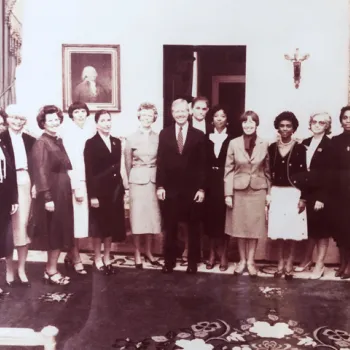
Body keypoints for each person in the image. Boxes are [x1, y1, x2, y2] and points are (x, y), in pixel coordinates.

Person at [156, 98, 206, 274]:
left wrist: (201, 189)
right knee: (170, 227)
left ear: (189, 112)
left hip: (191, 190)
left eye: (184, 111)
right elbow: (160, 162)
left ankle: (192, 262)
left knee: (193, 227)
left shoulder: (198, 135)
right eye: (177, 111)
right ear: (172, 113)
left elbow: (202, 165)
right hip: (170, 189)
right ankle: (169, 261)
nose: (180, 114)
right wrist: (160, 186)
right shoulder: (164, 134)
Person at [224, 111, 270, 277]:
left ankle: (251, 261)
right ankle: (242, 260)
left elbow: (267, 170)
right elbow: (228, 170)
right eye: (245, 123)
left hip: (258, 190)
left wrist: (269, 193)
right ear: (241, 125)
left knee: (254, 228)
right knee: (240, 227)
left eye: (252, 122)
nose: (248, 125)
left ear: (256, 124)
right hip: (238, 190)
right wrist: (228, 194)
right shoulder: (233, 143)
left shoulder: (265, 144)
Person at [31, 105, 74, 285]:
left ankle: (51, 268)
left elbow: (66, 165)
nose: (54, 123)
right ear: (43, 123)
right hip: (52, 193)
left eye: (57, 119)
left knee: (61, 231)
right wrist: (47, 198)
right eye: (50, 120)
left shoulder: (57, 140)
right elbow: (40, 171)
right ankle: (51, 270)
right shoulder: (42, 143)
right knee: (54, 232)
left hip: (62, 191)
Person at [84, 109, 126, 275]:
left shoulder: (116, 142)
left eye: (109, 120)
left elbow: (117, 167)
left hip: (114, 191)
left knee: (110, 226)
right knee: (99, 227)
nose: (107, 123)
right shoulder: (91, 143)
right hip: (99, 192)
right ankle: (97, 257)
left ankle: (107, 256)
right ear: (96, 124)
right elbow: (89, 171)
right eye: (103, 120)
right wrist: (92, 195)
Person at [267, 111, 308, 280]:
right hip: (277, 192)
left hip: (293, 193)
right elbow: (268, 172)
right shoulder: (272, 148)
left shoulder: (300, 148)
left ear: (293, 129)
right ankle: (280, 264)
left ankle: (289, 263)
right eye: (282, 126)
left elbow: (305, 174)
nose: (284, 129)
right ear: (278, 127)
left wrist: (303, 197)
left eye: (288, 126)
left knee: (292, 231)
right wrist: (268, 194)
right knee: (279, 230)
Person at [1, 105, 36, 287]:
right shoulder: (2, 137)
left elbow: (37, 165)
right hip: (7, 184)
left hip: (26, 181)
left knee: (23, 227)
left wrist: (35, 184)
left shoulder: (30, 140)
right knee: (9, 229)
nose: (17, 122)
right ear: (7, 119)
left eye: (21, 118)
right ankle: (9, 268)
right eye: (14, 117)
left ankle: (22, 268)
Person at [124, 102, 162, 269]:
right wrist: (129, 182)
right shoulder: (131, 138)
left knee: (151, 219)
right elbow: (127, 163)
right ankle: (137, 253)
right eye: (144, 115)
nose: (147, 118)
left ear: (154, 117)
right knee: (137, 219)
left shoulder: (158, 137)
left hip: (153, 180)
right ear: (139, 117)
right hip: (137, 180)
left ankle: (149, 251)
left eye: (150, 115)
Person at [295, 113, 333, 279]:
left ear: (327, 126)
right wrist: (302, 195)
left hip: (321, 193)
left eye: (321, 122)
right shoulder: (305, 143)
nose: (317, 125)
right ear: (310, 124)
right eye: (314, 122)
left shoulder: (330, 145)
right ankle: (306, 260)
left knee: (322, 231)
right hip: (307, 191)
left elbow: (330, 174)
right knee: (309, 228)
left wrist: (322, 198)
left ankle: (320, 264)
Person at [62, 101, 93, 275]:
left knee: (82, 223)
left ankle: (70, 254)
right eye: (77, 112)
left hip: (87, 180)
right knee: (75, 222)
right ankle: (76, 258)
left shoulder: (89, 131)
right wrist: (76, 186)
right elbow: (70, 163)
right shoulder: (69, 133)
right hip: (76, 181)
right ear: (72, 115)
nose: (80, 114)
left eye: (83, 111)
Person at [204, 105, 233, 271]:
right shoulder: (206, 137)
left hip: (225, 182)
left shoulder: (232, 139)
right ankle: (212, 254)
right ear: (212, 119)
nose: (219, 119)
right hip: (210, 183)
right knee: (210, 219)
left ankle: (224, 254)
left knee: (224, 219)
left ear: (227, 120)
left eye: (223, 116)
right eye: (216, 116)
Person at [328, 106, 350, 279]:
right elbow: (330, 167)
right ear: (340, 120)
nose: (348, 120)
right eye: (345, 117)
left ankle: (349, 265)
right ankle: (343, 263)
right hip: (339, 189)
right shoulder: (334, 141)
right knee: (341, 228)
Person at [0, 137, 18, 295]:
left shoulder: (3, 144)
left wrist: (13, 199)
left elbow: (10, 173)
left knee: (2, 237)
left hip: (3, 197)